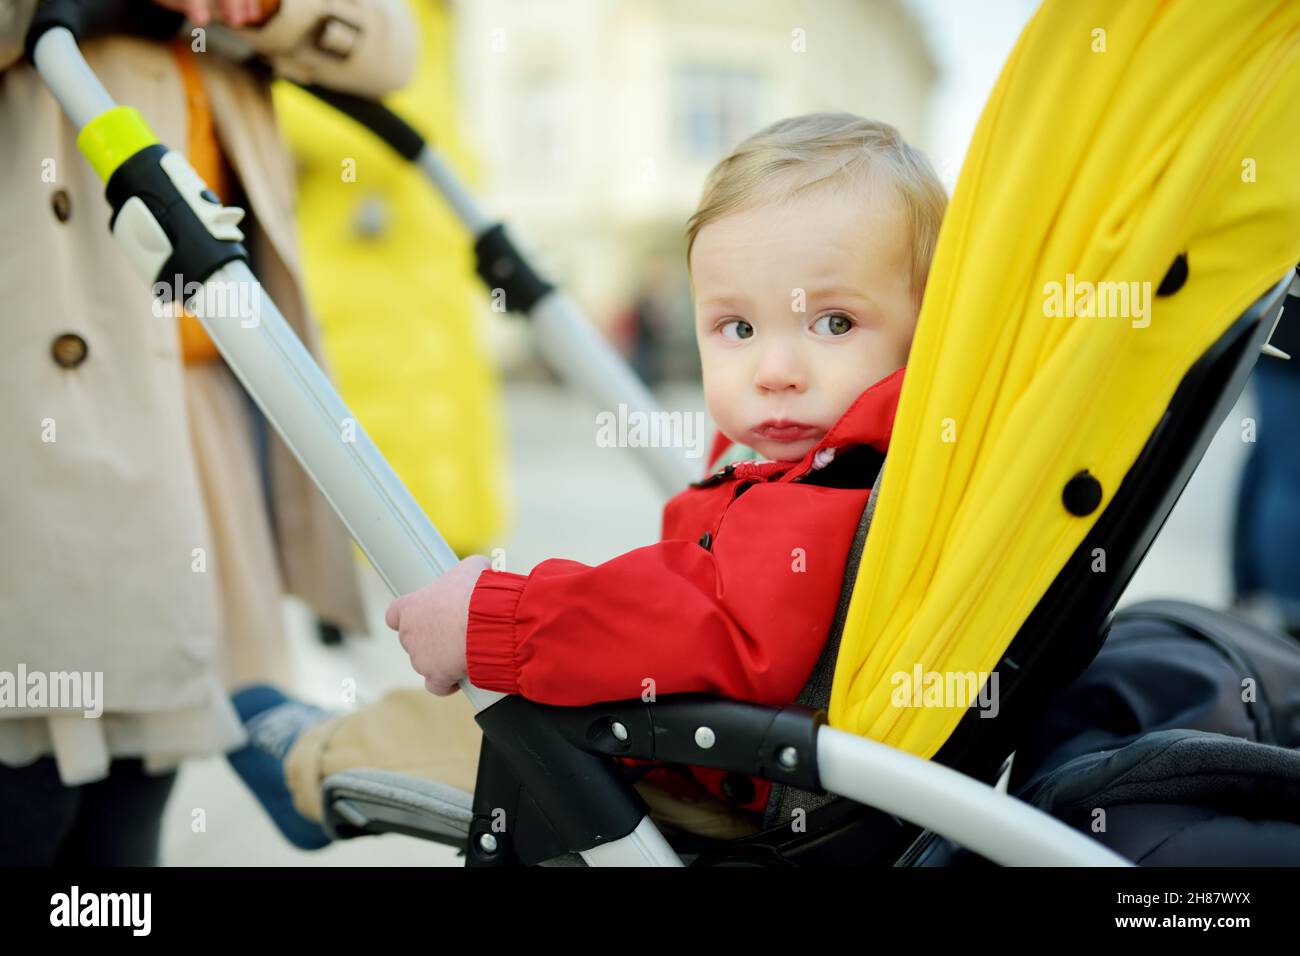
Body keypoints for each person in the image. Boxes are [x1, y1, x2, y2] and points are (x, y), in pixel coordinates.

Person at [228, 112, 949, 847]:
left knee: (478, 726)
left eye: (833, 324)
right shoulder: (842, 463)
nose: (774, 373)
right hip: (713, 749)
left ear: (929, 329)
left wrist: (496, 619)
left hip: (701, 778)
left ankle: (314, 764)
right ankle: (338, 733)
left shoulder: (829, 490)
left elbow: (712, 631)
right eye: (737, 328)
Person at [0, 0, 414, 865]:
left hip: (202, 382)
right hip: (40, 372)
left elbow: (387, 47)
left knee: (143, 761)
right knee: (37, 758)